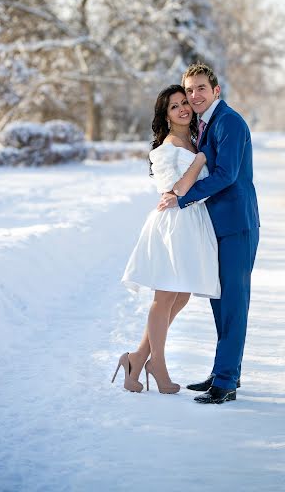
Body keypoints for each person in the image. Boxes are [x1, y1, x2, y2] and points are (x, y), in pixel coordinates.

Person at [158, 62, 260, 404]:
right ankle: (223, 371)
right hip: (216, 226)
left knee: (233, 303)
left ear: (216, 91)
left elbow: (226, 175)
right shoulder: (205, 125)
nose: (194, 95)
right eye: (189, 90)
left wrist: (182, 197)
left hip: (236, 225)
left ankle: (226, 381)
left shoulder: (229, 122)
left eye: (201, 88)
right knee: (220, 301)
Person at [112, 84, 221, 395]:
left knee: (181, 295)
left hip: (193, 223)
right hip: (173, 226)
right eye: (174, 106)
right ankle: (157, 365)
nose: (183, 108)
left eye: (185, 102)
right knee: (165, 297)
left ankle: (137, 358)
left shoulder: (195, 140)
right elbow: (177, 190)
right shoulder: (164, 149)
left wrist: (199, 156)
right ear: (166, 115)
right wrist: (200, 160)